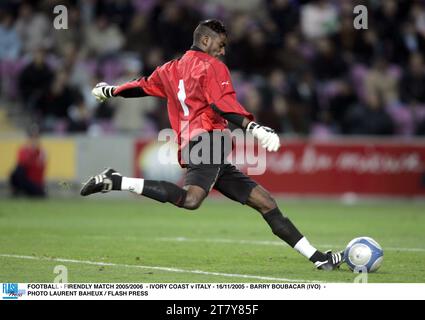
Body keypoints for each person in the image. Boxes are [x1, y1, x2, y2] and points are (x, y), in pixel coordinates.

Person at [81, 19, 344, 270]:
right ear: (205, 40)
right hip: (208, 140)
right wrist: (254, 128)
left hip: (199, 145)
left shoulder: (169, 69)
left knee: (265, 201)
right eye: (220, 42)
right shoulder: (212, 66)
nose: (223, 49)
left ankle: (319, 258)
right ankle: (116, 181)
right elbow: (222, 104)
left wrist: (110, 90)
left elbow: (141, 86)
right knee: (191, 200)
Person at [9, 125, 47, 197]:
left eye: (35, 137)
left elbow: (39, 167)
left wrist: (33, 153)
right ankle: (17, 191)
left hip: (35, 182)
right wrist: (31, 153)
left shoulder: (41, 152)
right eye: (32, 137)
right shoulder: (23, 150)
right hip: (26, 180)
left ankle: (22, 192)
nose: (33, 140)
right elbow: (21, 164)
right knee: (17, 172)